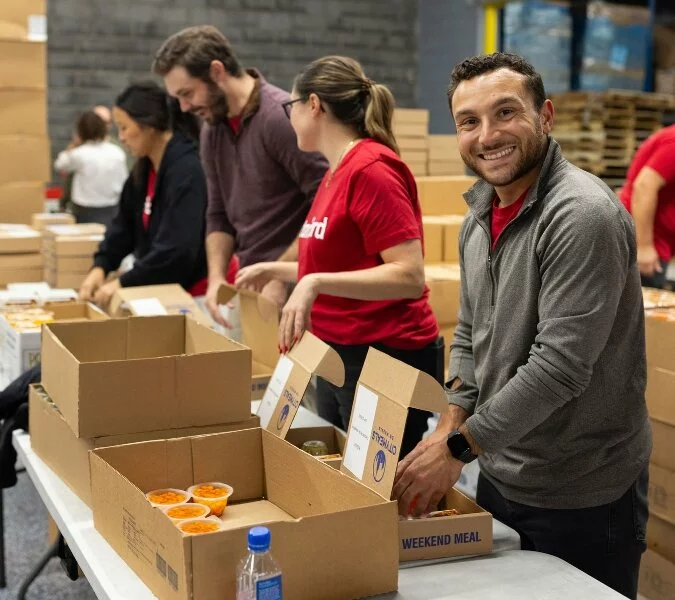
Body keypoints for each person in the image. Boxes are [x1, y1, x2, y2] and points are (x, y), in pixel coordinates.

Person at [392, 53, 651, 600]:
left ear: (546, 116)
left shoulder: (580, 215)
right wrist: (449, 425)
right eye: (469, 121)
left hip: (581, 489)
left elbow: (558, 369)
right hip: (500, 472)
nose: (487, 135)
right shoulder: (479, 214)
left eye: (505, 113)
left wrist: (457, 450)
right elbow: (469, 334)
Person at [235, 56, 441, 458]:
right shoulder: (336, 172)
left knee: (376, 491)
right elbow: (344, 265)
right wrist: (274, 268)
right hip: (338, 351)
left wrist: (312, 283)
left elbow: (408, 275)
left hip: (384, 355)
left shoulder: (372, 169)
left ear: (313, 105)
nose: (290, 118)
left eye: (290, 108)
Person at [152, 25, 328, 330]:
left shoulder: (279, 118)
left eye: (187, 93)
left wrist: (280, 272)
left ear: (217, 71)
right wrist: (217, 277)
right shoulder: (213, 130)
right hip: (255, 286)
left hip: (300, 290)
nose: (184, 107)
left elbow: (328, 203)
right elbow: (218, 213)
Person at [79, 81, 208, 307]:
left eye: (124, 128)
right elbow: (123, 226)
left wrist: (123, 283)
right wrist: (101, 266)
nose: (121, 137)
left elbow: (176, 250)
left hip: (196, 296)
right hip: (160, 288)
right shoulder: (144, 168)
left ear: (148, 125)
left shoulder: (186, 171)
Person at [619, 124, 675, 289]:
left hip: (658, 246)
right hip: (645, 248)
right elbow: (644, 186)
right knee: (640, 311)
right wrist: (643, 246)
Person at [54, 110, 128, 227]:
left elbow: (60, 165)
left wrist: (74, 145)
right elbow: (124, 180)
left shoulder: (79, 154)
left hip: (84, 210)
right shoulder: (117, 152)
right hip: (112, 208)